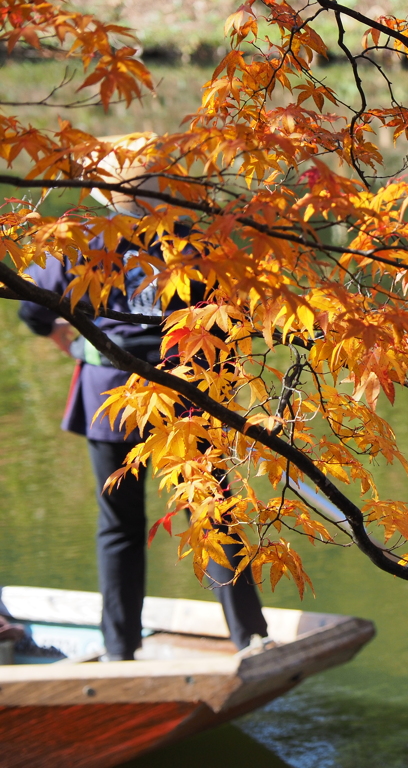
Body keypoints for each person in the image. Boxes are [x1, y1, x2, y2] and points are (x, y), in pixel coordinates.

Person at [17, 134, 267, 660]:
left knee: (120, 526)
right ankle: (249, 636)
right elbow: (231, 326)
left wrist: (74, 346)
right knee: (212, 511)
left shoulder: (80, 241)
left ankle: (118, 650)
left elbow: (34, 311)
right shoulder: (192, 240)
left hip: (109, 396)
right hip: (189, 396)